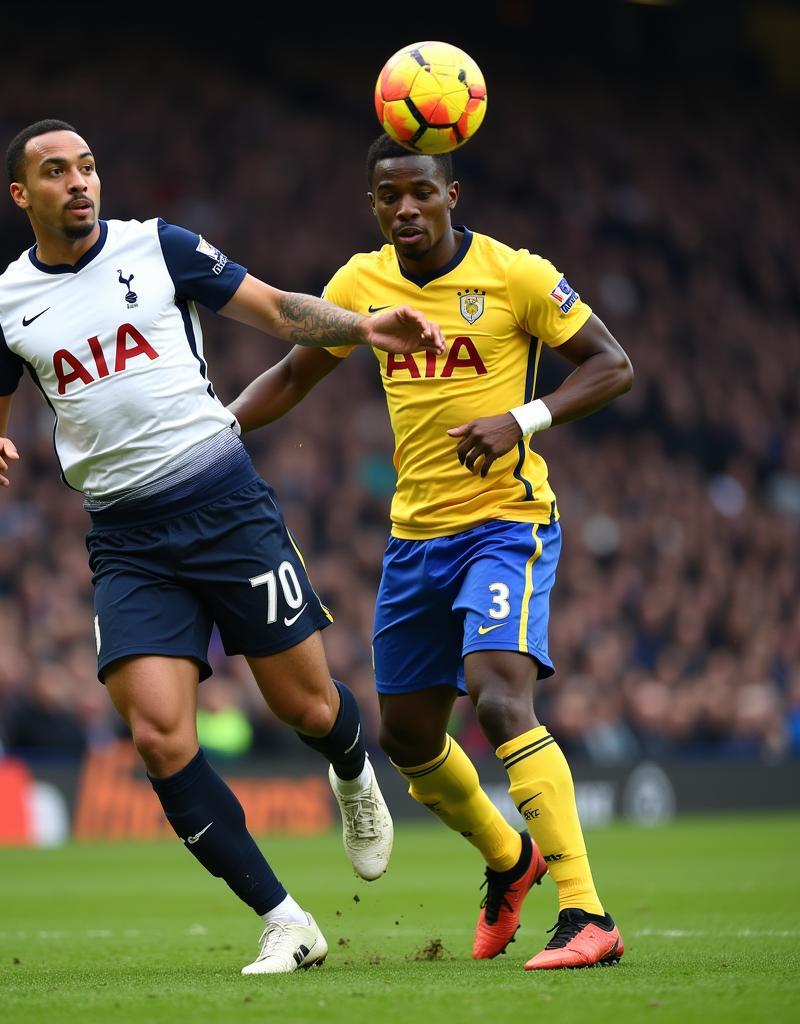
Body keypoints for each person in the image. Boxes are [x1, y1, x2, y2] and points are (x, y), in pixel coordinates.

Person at [0, 120, 446, 976]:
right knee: (158, 738)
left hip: (223, 503)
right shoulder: (1, 305)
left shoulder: (160, 248)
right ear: (20, 195)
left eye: (88, 166)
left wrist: (365, 326)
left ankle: (351, 770)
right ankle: (285, 920)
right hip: (126, 536)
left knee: (305, 709)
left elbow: (276, 309)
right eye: (56, 172)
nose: (79, 182)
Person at [228, 134, 634, 971]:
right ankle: (507, 858)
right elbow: (296, 376)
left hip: (506, 522)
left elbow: (613, 365)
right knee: (407, 738)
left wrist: (521, 421)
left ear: (455, 195)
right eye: (390, 197)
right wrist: (215, 428)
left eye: (421, 192)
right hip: (415, 538)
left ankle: (587, 915)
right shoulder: (357, 284)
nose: (406, 208)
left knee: (497, 699)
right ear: (373, 204)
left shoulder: (515, 275)